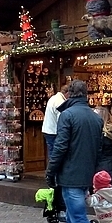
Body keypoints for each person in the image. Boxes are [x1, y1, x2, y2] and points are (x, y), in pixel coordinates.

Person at [45, 80, 112, 223]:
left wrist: (50, 171)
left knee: (79, 220)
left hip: (70, 175)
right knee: (74, 219)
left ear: (70, 94)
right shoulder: (95, 118)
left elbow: (60, 148)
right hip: (85, 175)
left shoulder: (67, 115)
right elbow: (98, 151)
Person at [43, 84, 69, 213]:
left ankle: (53, 177)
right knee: (55, 156)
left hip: (49, 131)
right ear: (67, 93)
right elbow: (62, 120)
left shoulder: (54, 98)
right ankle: (55, 179)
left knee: (53, 155)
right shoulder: (59, 101)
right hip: (54, 132)